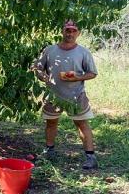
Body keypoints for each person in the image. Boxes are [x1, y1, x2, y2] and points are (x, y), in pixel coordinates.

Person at [31, 20, 98, 170]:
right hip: (53, 95)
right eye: (68, 30)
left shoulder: (83, 52)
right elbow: (38, 67)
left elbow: (92, 73)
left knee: (81, 124)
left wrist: (77, 77)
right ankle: (49, 151)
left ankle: (90, 157)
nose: (70, 33)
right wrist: (42, 76)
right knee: (51, 122)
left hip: (76, 95)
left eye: (74, 30)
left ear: (78, 33)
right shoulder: (49, 50)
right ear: (62, 31)